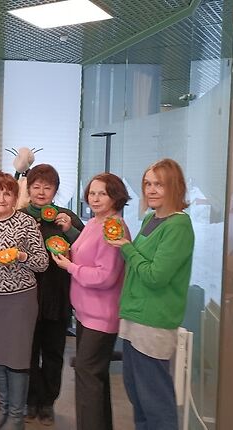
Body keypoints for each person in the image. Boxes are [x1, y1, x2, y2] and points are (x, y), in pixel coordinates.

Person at [107, 159, 195, 430]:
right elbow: (140, 263)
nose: (151, 190)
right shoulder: (150, 219)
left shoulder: (178, 226)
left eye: (159, 184)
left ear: (175, 187)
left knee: (156, 403)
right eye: (147, 184)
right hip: (134, 316)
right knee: (138, 396)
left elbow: (156, 276)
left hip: (154, 322)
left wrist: (126, 247)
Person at [51, 173, 130, 430]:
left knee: (87, 376)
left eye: (102, 194)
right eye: (92, 193)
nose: (95, 198)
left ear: (115, 197)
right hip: (87, 313)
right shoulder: (96, 222)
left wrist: (70, 267)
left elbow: (105, 276)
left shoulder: (113, 227)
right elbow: (87, 254)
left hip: (101, 316)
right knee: (95, 378)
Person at [0, 172, 48, 430]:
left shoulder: (26, 222)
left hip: (19, 300)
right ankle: (3, 412)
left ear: (15, 198)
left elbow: (42, 263)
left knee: (17, 358)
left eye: (7, 193)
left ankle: (16, 418)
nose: (1, 198)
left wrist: (21, 256)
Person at [19, 164, 84, 425]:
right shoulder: (20, 216)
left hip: (57, 295)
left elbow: (88, 248)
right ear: (29, 188)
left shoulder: (66, 217)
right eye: (36, 186)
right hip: (26, 295)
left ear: (55, 190)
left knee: (54, 353)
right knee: (28, 352)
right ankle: (30, 400)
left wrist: (69, 229)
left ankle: (48, 402)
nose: (41, 192)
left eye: (47, 187)